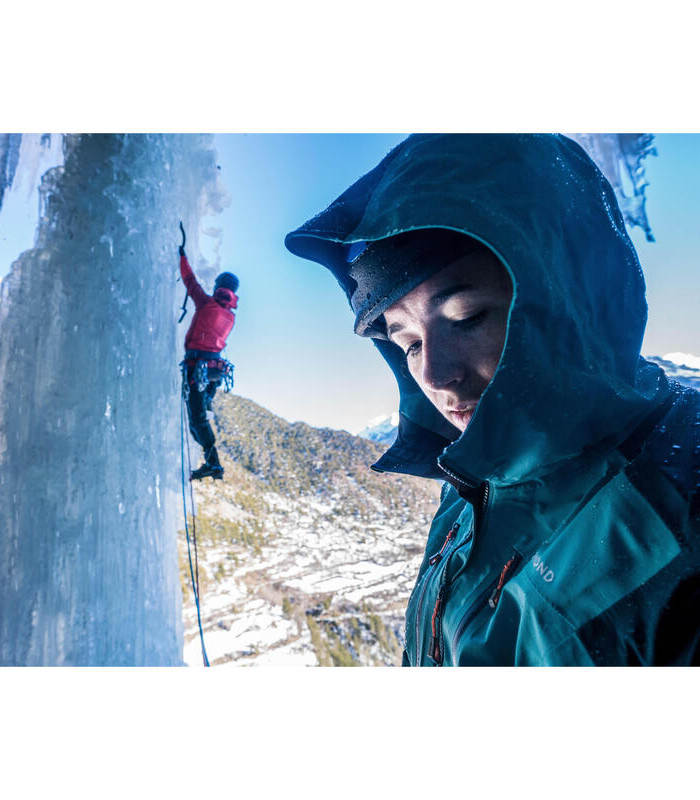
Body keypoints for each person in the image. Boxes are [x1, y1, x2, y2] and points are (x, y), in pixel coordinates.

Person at [285, 134, 700, 666]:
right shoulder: (472, 485)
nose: (433, 374)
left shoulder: (681, 500)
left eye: (467, 318)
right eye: (407, 343)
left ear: (566, 294)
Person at [178, 238, 239, 481]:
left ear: (218, 287)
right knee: (199, 417)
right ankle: (211, 462)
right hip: (214, 372)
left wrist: (182, 257)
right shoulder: (230, 316)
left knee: (198, 419)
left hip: (198, 369)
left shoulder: (207, 304)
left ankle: (214, 464)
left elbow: (190, 282)